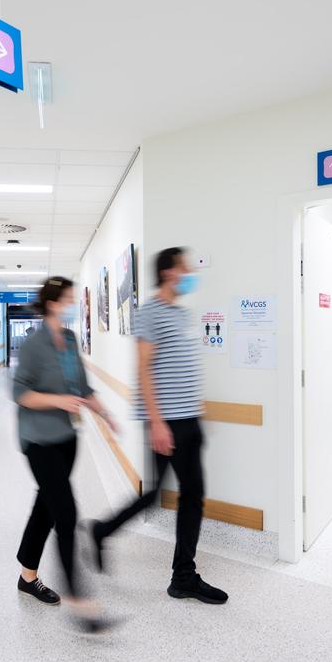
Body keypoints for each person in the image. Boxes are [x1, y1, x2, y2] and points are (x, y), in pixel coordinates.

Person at [87, 247, 228, 605]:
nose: (188, 273)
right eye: (183, 267)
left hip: (187, 419)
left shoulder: (180, 314)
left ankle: (102, 530)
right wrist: (157, 423)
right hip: (170, 423)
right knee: (191, 496)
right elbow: (144, 370)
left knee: (158, 495)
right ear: (168, 272)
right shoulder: (150, 312)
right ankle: (183, 577)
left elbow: (176, 367)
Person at [13, 277, 118, 632]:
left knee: (46, 506)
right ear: (54, 303)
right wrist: (58, 400)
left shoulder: (70, 340)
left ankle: (27, 577)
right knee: (66, 513)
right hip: (38, 439)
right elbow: (19, 393)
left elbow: (83, 388)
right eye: (70, 298)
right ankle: (79, 600)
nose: (74, 303)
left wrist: (105, 415)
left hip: (65, 438)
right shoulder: (33, 344)